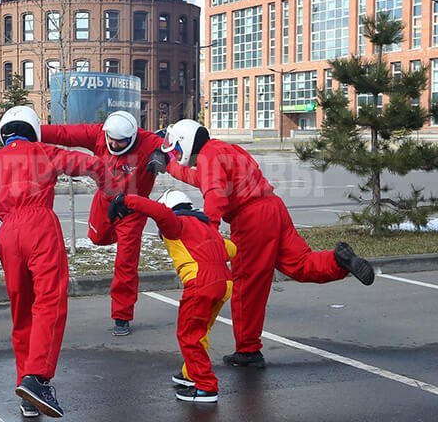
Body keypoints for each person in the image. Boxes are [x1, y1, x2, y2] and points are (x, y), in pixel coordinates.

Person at [150, 119, 375, 369]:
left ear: (186, 142)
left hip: (251, 219)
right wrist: (169, 166)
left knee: (247, 285)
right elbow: (205, 180)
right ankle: (338, 261)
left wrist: (208, 232)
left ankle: (248, 350)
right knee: (300, 263)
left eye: (177, 150)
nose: (178, 155)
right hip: (273, 207)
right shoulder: (224, 149)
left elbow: (214, 192)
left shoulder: (208, 158)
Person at [0, 106, 106, 419]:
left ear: (5, 133)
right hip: (39, 225)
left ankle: (26, 389)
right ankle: (38, 378)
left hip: (8, 234)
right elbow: (89, 164)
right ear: (32, 129)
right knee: (50, 303)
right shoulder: (43, 150)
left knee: (22, 311)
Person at [39, 110, 165, 337]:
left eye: (121, 142)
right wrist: (27, 130)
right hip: (106, 202)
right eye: (112, 141)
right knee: (97, 239)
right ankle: (110, 234)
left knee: (126, 262)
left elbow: (180, 149)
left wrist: (165, 156)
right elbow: (63, 133)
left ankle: (122, 316)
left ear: (133, 137)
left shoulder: (150, 142)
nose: (115, 145)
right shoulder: (97, 134)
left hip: (133, 210)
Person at [108, 189, 235, 403]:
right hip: (225, 282)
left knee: (189, 335)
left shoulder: (176, 223)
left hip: (200, 282)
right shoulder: (206, 226)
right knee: (200, 331)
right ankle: (191, 373)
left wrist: (125, 199)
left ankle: (205, 387)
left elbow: (158, 212)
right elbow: (231, 250)